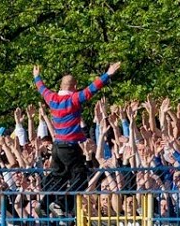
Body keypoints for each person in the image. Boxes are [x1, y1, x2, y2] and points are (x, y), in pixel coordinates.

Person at [34, 60, 122, 211]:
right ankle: (61, 204)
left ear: (60, 86)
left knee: (58, 176)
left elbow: (42, 89)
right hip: (69, 146)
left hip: (57, 146)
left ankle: (43, 205)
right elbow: (91, 89)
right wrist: (108, 74)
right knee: (80, 177)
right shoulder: (73, 99)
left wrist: (37, 77)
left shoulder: (52, 99)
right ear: (74, 87)